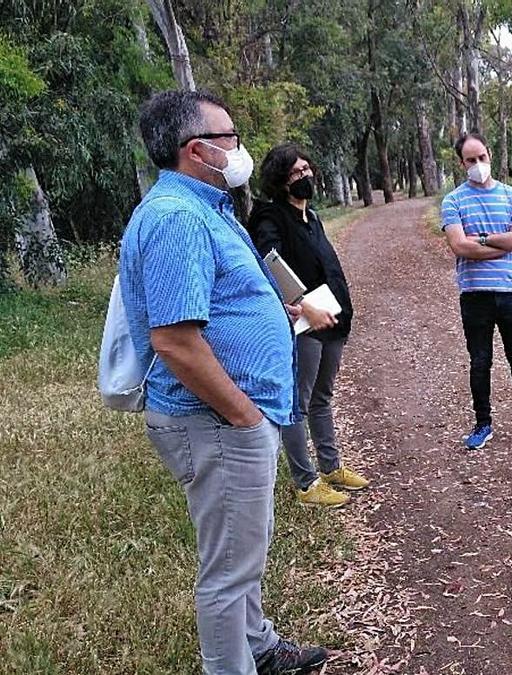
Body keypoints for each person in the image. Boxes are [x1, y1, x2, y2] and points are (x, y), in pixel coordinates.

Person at [119, 90, 326, 674]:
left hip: (232, 416)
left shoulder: (207, 207)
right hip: (214, 418)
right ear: (197, 150)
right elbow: (175, 341)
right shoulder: (177, 219)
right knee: (228, 568)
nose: (241, 149)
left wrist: (277, 317)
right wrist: (245, 416)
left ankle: (258, 645)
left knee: (244, 546)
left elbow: (224, 303)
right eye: (232, 137)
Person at [248, 143, 369, 508]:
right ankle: (306, 482)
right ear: (281, 181)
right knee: (295, 404)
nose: (305, 177)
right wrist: (303, 307)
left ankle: (331, 467)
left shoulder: (311, 217)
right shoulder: (270, 218)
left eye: (306, 170)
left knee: (322, 397)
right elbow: (269, 263)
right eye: (296, 173)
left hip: (332, 319)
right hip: (304, 323)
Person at [440, 131, 512, 450]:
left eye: (482, 157)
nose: (478, 164)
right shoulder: (453, 201)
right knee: (480, 361)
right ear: (461, 163)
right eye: (470, 160)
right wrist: (501, 242)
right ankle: (482, 423)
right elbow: (459, 246)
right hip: (474, 294)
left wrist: (480, 239)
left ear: (490, 155)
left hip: (511, 292)